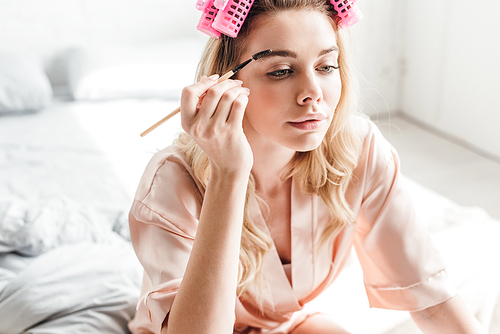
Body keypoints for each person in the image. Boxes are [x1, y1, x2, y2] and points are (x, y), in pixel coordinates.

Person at [128, 0, 484, 333]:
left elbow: (432, 301)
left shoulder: (359, 149)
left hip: (287, 324)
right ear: (227, 83)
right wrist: (229, 174)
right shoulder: (170, 181)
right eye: (282, 71)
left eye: (327, 66)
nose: (312, 92)